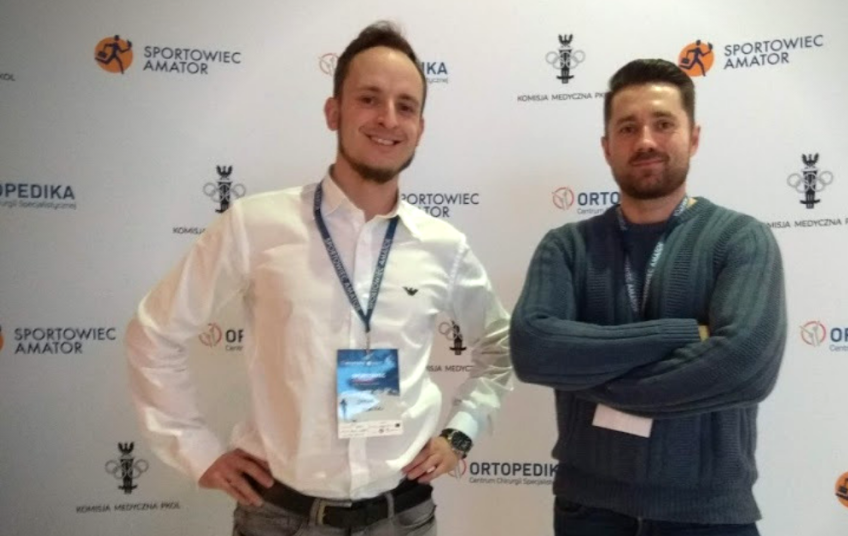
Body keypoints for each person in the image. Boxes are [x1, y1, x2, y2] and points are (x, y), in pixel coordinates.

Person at [125, 21, 513, 536]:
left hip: (403, 518)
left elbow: (501, 346)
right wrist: (196, 450)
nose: (388, 118)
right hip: (279, 518)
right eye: (369, 99)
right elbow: (153, 332)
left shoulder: (443, 245)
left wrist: (461, 433)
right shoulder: (255, 225)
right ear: (334, 112)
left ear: (420, 127)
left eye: (405, 106)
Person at [509, 58, 787, 536]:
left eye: (663, 124)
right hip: (588, 513)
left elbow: (745, 365)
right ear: (606, 147)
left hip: (707, 517)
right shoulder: (567, 246)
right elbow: (533, 350)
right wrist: (687, 334)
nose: (645, 141)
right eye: (627, 128)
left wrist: (586, 372)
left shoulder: (740, 239)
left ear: (693, 137)